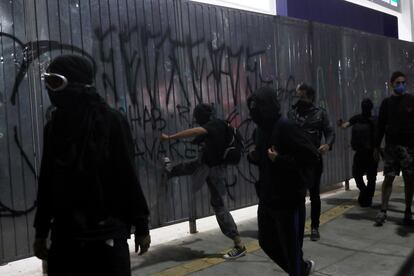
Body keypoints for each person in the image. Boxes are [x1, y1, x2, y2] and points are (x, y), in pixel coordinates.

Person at [33, 55, 151, 276]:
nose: (51, 90)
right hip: (66, 236)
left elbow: (127, 175)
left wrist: (141, 224)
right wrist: (41, 231)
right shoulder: (54, 127)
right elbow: (47, 180)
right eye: (47, 82)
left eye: (56, 82)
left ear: (76, 84)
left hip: (106, 235)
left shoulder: (111, 122)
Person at [247, 87, 319, 276]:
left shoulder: (285, 126)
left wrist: (280, 160)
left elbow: (312, 156)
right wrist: (255, 157)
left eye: (258, 106)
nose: (254, 111)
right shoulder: (261, 131)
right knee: (266, 242)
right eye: (252, 107)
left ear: (268, 106)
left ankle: (299, 270)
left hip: (288, 201)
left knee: (291, 250)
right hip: (267, 198)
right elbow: (264, 158)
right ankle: (302, 270)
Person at [160, 103, 246, 259]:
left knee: (218, 205)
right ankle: (170, 170)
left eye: (197, 117)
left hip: (214, 171)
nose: (196, 121)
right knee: (191, 166)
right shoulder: (219, 123)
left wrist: (170, 137)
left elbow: (196, 131)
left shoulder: (213, 125)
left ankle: (239, 244)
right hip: (209, 166)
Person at [287, 83, 335, 241]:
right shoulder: (291, 114)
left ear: (310, 97)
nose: (299, 100)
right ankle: (296, 226)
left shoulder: (320, 114)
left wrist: (327, 144)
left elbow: (330, 131)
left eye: (303, 97)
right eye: (298, 96)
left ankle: (314, 226)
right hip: (295, 161)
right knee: (296, 196)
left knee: (314, 195)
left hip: (313, 160)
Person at [374, 71, 414, 226]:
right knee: (389, 178)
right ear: (392, 84)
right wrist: (376, 147)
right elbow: (381, 126)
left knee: (409, 180)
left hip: (409, 148)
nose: (401, 85)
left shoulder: (411, 100)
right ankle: (383, 210)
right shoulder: (386, 103)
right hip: (391, 147)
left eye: (403, 82)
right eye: (398, 83)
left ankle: (408, 211)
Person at [338, 98, 378, 207]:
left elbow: (344, 126)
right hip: (372, 153)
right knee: (371, 178)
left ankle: (365, 194)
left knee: (357, 174)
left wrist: (340, 124)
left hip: (360, 153)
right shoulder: (375, 119)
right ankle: (367, 197)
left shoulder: (357, 118)